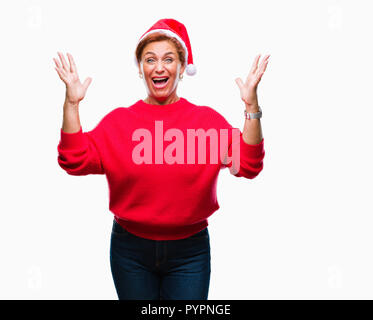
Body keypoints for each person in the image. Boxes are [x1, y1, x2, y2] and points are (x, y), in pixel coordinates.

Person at [54, 18, 269, 300]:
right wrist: (71, 104)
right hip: (129, 250)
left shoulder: (205, 122)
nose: (159, 67)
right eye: (150, 59)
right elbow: (73, 159)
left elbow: (250, 165)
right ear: (141, 69)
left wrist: (251, 106)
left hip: (190, 253)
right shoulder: (119, 122)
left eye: (169, 59)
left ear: (181, 68)